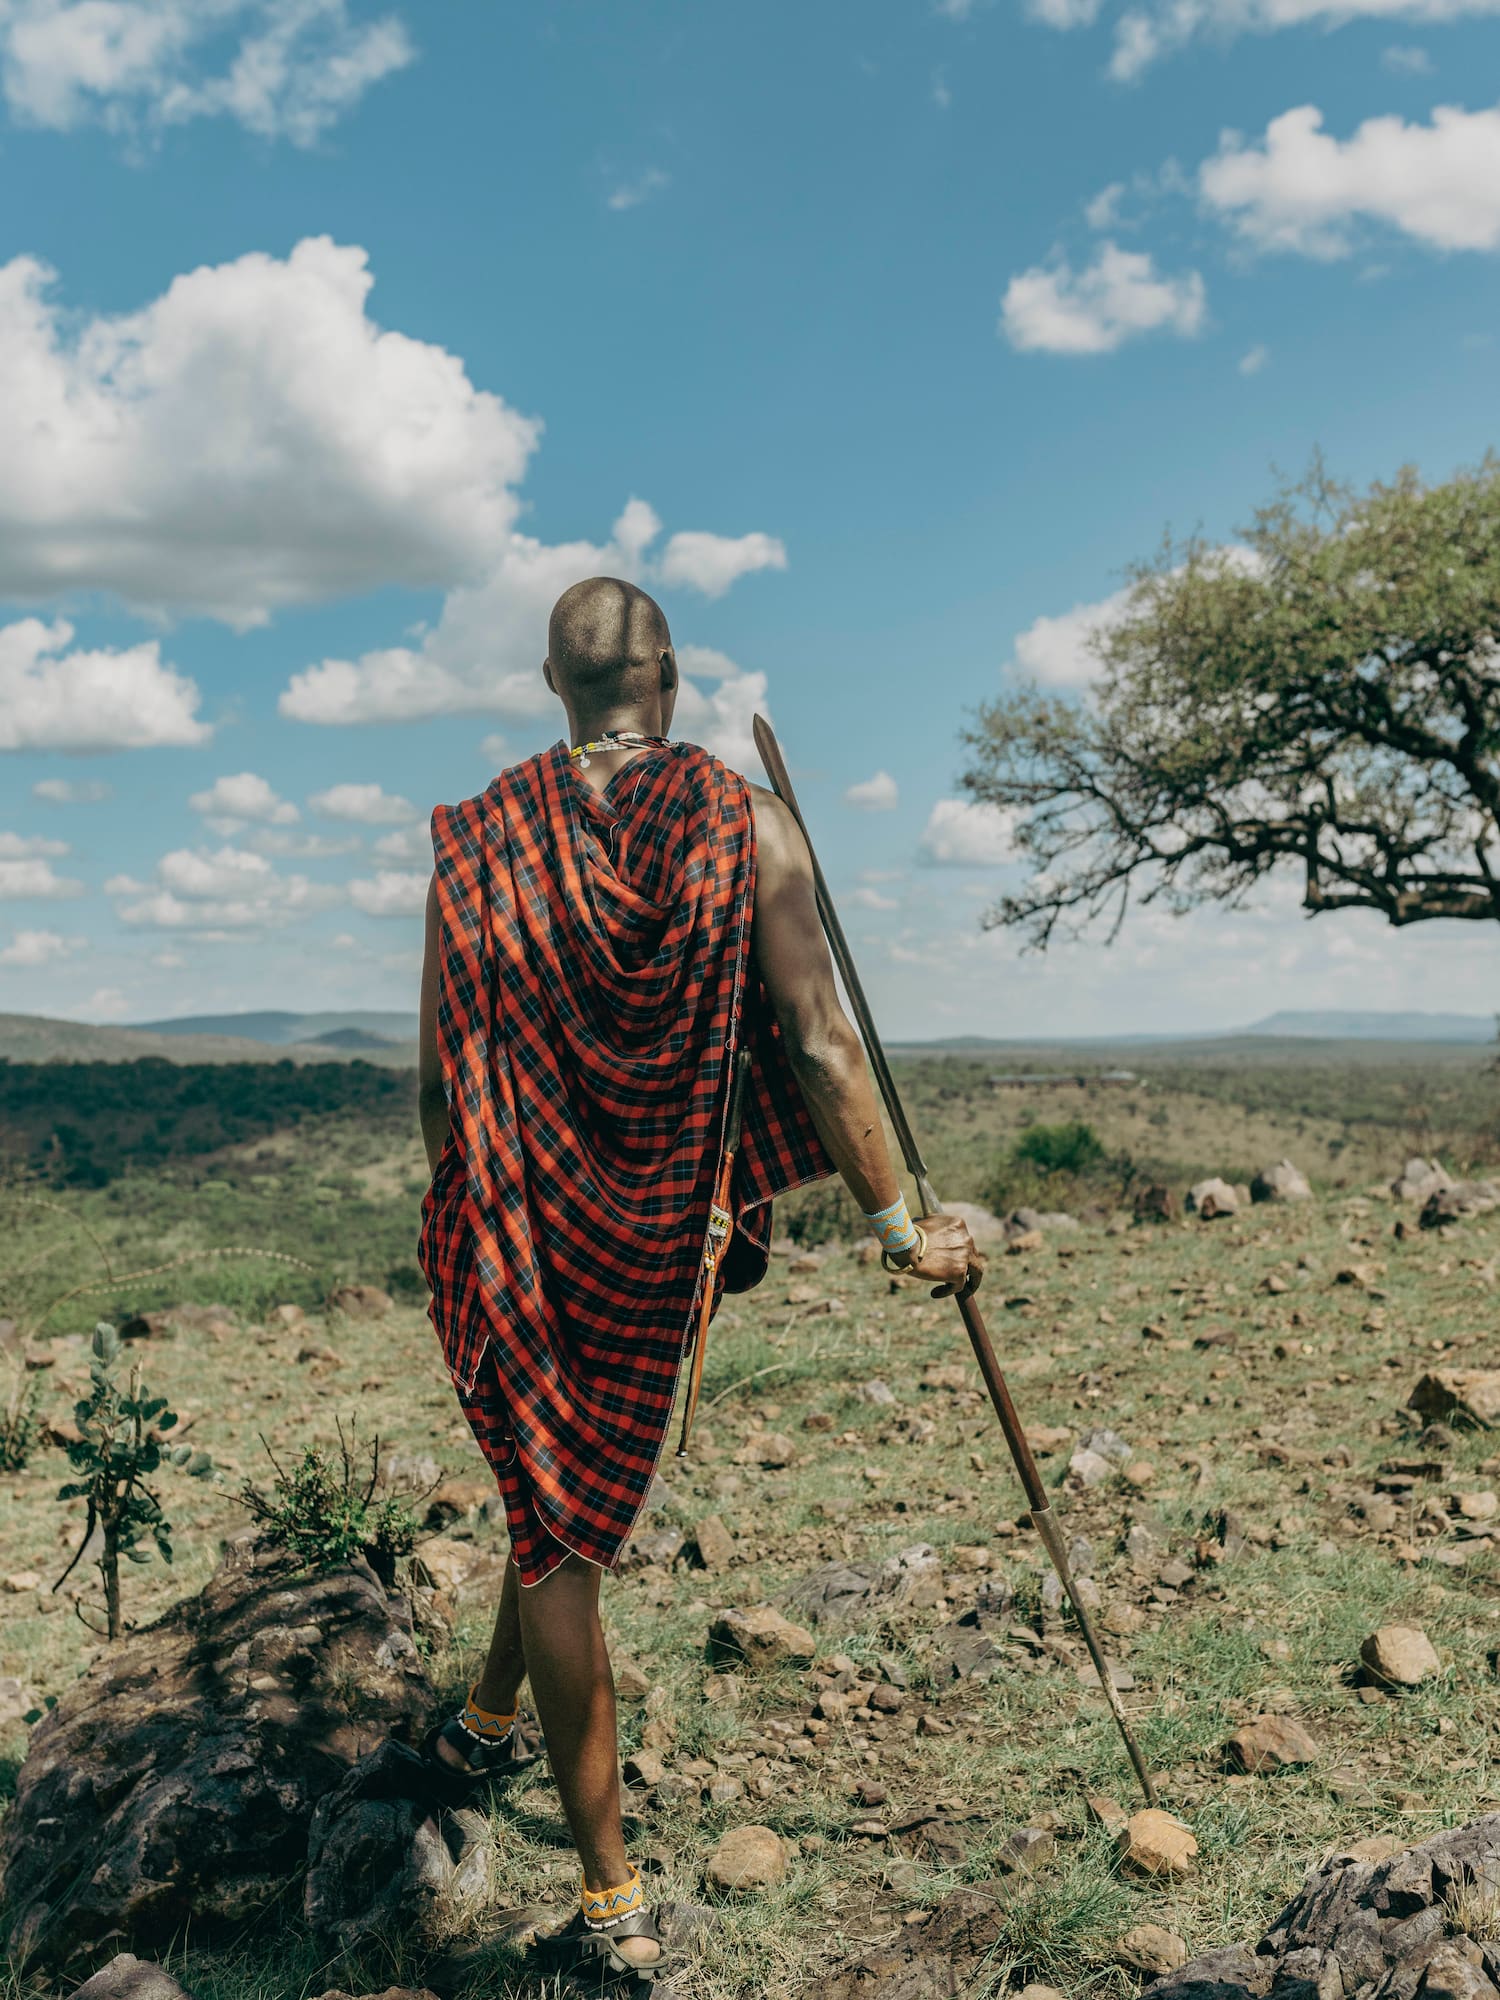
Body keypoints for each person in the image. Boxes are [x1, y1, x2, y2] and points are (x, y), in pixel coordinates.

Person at [416, 576, 982, 1990]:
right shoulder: (747, 823)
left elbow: (437, 1076)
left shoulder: (481, 836)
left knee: (555, 1493)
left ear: (556, 684)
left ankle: (487, 1722)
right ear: (663, 672)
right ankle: (610, 1899)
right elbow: (820, 1041)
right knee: (560, 1528)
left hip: (518, 1222)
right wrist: (906, 1227)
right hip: (661, 1225)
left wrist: (468, 1205)